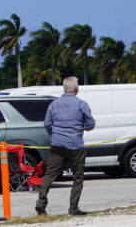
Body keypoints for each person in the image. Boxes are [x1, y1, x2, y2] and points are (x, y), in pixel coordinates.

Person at [35, 76, 95, 216]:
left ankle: (41, 204)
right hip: (75, 145)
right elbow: (91, 124)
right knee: (78, 177)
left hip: (57, 144)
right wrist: (81, 128)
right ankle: (73, 208)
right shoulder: (82, 104)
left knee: (50, 174)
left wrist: (56, 134)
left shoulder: (54, 104)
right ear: (76, 88)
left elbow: (47, 124)